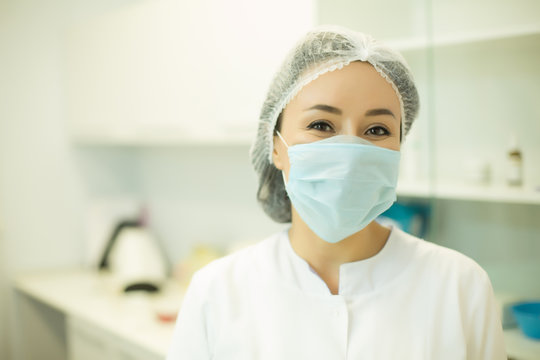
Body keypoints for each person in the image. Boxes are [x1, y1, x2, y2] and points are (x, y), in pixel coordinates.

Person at [166, 25, 506, 359]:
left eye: (376, 129)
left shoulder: (461, 287)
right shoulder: (218, 292)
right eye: (321, 125)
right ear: (275, 146)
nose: (350, 152)